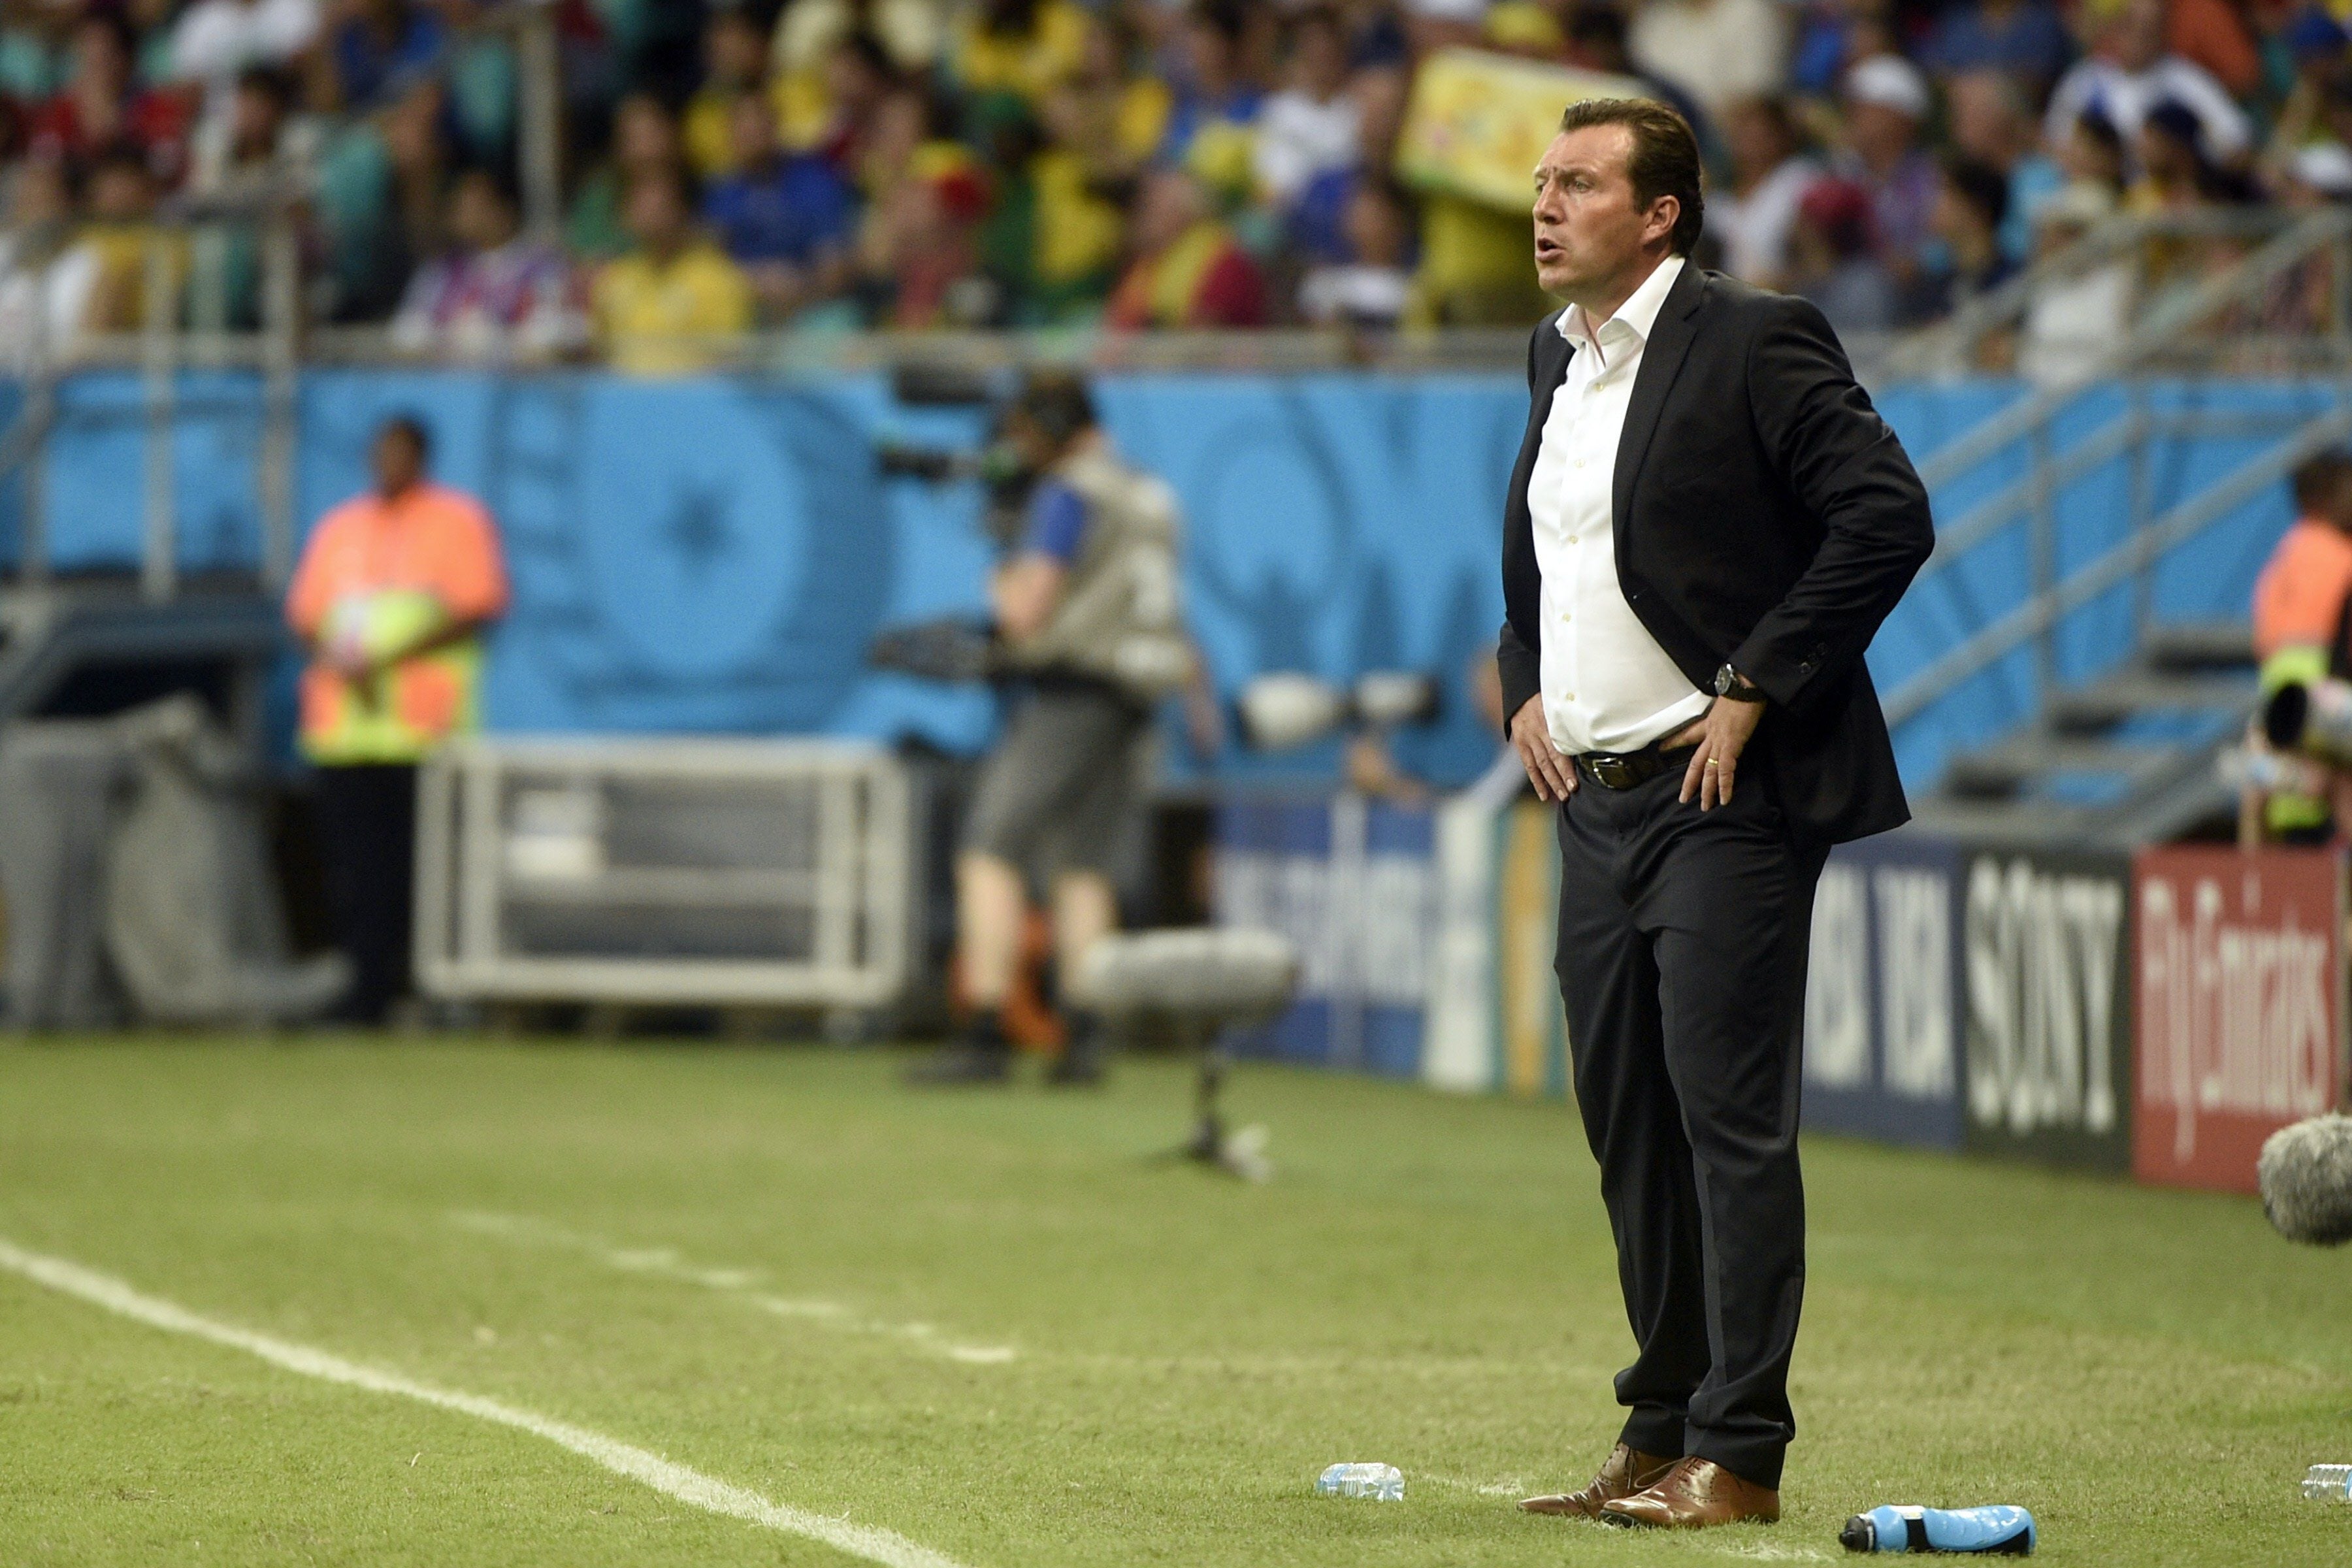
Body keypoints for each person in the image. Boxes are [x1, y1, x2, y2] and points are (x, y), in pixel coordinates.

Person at [1499, 99, 1931, 1528]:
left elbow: (1884, 511)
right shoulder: (1556, 361)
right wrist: (1522, 688)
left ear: (1661, 213)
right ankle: (1662, 1420)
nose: (1546, 205)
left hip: (1719, 795)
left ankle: (1740, 1455)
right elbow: (1544, 559)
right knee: (1627, 1121)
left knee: (1727, 1122)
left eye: (1579, 183)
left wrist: (1757, 682)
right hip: (1595, 803)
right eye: (1545, 181)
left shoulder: (1756, 336)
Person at [909, 372, 1192, 1087]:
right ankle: (1086, 1037)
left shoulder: (1071, 490)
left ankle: (986, 1031)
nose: (1021, 451)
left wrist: (1001, 575)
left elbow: (1025, 611)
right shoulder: (1149, 492)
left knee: (989, 849)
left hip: (1073, 689)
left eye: (1028, 435)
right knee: (1083, 865)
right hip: (1133, 692)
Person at [285, 416, 509, 1024]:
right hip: (345, 732)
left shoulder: (456, 522)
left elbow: (477, 607)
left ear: (422, 457)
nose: (389, 462)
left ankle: (431, 991)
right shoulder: (341, 527)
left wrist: (384, 662)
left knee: (426, 868)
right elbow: (306, 614)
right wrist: (340, 661)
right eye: (381, 450)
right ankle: (365, 993)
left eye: (400, 451)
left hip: (421, 731)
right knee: (355, 872)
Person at [591, 168, 755, 374]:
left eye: (661, 204)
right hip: (624, 400)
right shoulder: (613, 279)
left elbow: (732, 362)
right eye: (640, 202)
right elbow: (600, 354)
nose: (650, 212)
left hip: (693, 401)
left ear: (683, 210)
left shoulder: (719, 280)